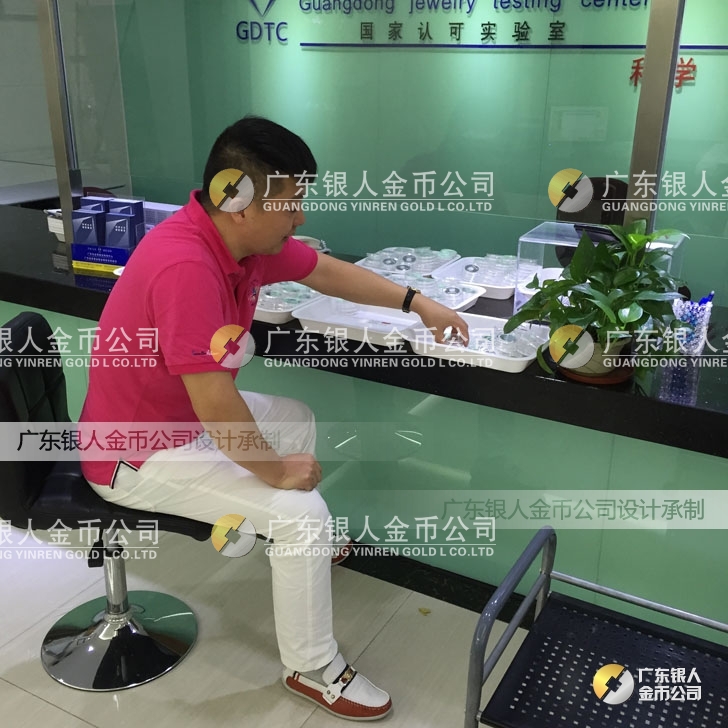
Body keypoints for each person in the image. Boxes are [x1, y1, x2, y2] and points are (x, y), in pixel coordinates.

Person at [79, 116, 469, 721]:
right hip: (134, 452)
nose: (300, 216)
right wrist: (278, 474)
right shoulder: (186, 266)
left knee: (293, 417)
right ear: (238, 202)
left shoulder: (238, 243)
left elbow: (324, 270)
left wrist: (418, 303)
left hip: (182, 419)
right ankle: (313, 667)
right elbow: (215, 402)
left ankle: (287, 551)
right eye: (291, 204)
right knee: (302, 513)